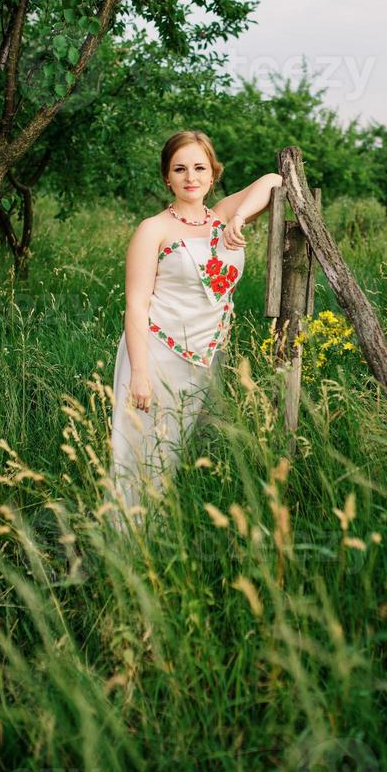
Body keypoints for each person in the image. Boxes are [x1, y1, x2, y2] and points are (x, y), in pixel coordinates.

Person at [109, 129, 282, 531]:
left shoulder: (221, 218)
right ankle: (127, 545)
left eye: (200, 167)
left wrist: (239, 217)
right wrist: (139, 375)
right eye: (180, 168)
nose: (191, 176)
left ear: (213, 173)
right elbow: (135, 305)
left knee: (196, 455)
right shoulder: (153, 229)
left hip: (208, 358)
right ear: (167, 177)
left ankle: (183, 539)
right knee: (144, 457)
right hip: (156, 354)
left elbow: (275, 182)